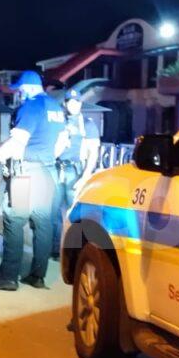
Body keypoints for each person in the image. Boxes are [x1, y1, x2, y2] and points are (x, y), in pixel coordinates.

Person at [0, 71, 68, 291]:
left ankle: (8, 277)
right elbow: (63, 142)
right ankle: (37, 276)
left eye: (20, 89)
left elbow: (16, 143)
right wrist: (45, 157)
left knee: (14, 222)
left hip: (27, 174)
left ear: (28, 88)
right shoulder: (55, 108)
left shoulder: (31, 106)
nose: (18, 94)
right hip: (47, 172)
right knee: (43, 225)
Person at [51, 88, 101, 259]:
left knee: (75, 213)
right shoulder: (59, 122)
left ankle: (74, 252)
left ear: (80, 104)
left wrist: (85, 176)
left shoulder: (87, 124)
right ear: (65, 104)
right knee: (53, 212)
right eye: (70, 102)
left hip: (76, 171)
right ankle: (55, 249)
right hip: (57, 168)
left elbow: (93, 153)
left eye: (76, 102)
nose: (73, 105)